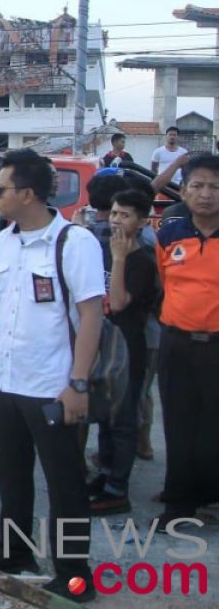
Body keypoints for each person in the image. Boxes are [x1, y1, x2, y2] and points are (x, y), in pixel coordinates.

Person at [0, 149, 104, 601]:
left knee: (65, 485)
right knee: (12, 477)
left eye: (0, 189)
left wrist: (78, 383)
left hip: (52, 387)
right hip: (7, 384)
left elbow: (91, 315)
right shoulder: (5, 240)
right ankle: (15, 555)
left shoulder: (73, 242)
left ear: (27, 194)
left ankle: (74, 576)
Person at [153, 153, 219, 529]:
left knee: (214, 427)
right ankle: (178, 505)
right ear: (185, 190)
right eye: (197, 186)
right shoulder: (170, 234)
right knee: (178, 426)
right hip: (176, 345)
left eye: (214, 187)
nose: (205, 194)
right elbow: (165, 286)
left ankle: (210, 493)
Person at [88, 189, 159, 516]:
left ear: (142, 222)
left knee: (122, 418)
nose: (116, 220)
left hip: (129, 345)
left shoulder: (141, 259)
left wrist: (118, 259)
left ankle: (118, 488)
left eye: (125, 215)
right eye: (114, 213)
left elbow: (117, 303)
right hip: (105, 343)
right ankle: (104, 474)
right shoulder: (107, 249)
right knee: (105, 413)